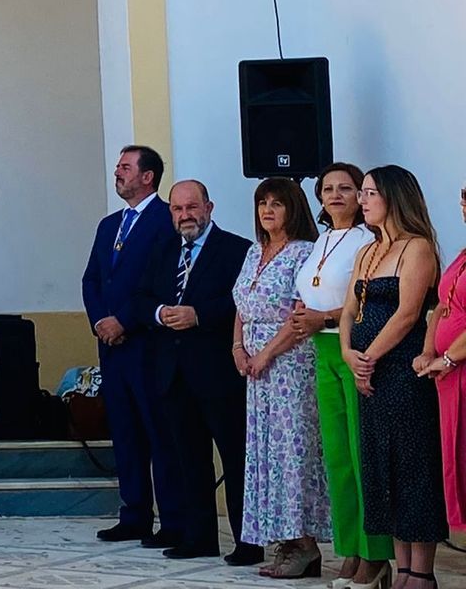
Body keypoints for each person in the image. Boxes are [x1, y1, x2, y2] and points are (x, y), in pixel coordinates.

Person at [134, 179, 257, 565]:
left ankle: (247, 542)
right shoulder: (162, 249)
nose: (185, 215)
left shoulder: (237, 250)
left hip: (220, 373)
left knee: (236, 460)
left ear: (209, 207)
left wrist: (198, 315)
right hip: (173, 373)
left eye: (192, 207)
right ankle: (200, 536)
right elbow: (140, 297)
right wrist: (159, 314)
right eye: (177, 209)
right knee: (189, 459)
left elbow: (242, 301)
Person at [343, 166, 448, 589]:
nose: (362, 200)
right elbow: (349, 309)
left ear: (393, 197)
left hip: (403, 371)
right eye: (362, 193)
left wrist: (368, 357)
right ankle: (401, 568)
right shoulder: (366, 252)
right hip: (368, 371)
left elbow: (407, 315)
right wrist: (351, 354)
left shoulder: (417, 248)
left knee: (412, 466)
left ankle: (421, 573)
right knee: (381, 467)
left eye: (369, 193)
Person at [288, 163, 391, 589]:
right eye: (328, 189)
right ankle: (350, 547)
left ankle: (377, 553)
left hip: (354, 347)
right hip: (321, 349)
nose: (336, 195)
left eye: (346, 188)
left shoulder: (370, 241)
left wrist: (322, 317)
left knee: (362, 451)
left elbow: (364, 301)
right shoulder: (324, 239)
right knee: (337, 457)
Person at [82, 144, 181, 546]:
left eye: (125, 167)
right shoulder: (110, 225)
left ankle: (172, 518)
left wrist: (125, 320)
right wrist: (100, 323)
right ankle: (134, 514)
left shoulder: (165, 220)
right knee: (124, 432)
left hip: (146, 345)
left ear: (148, 177)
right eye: (117, 167)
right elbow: (91, 280)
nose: (117, 173)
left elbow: (161, 282)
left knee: (158, 432)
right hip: (112, 347)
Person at [231, 177, 329, 578]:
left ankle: (304, 542)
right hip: (256, 367)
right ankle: (285, 541)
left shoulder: (304, 253)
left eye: (277, 203)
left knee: (293, 452)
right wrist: (238, 348)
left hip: (288, 364)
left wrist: (267, 353)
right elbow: (241, 303)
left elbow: (300, 314)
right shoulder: (255, 252)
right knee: (266, 453)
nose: (268, 210)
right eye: (262, 203)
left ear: (294, 208)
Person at [420, 183, 466, 544]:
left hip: (459, 366)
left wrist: (450, 356)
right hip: (447, 372)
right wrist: (428, 352)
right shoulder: (462, 255)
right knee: (455, 458)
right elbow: (440, 307)